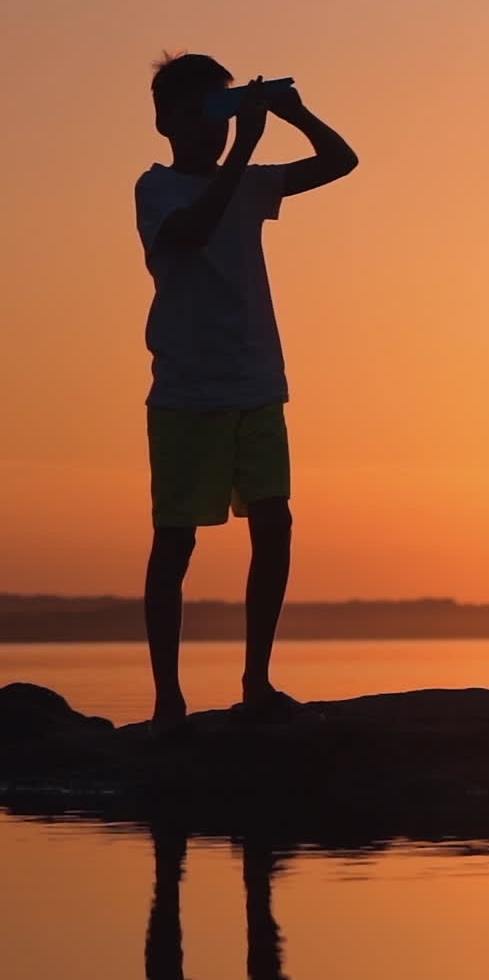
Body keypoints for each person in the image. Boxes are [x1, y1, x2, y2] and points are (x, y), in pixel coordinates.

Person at [136, 53, 358, 732]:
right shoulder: (157, 190)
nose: (214, 127)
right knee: (176, 545)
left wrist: (292, 115)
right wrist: (247, 145)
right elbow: (195, 230)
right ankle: (168, 697)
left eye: (221, 109)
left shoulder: (252, 185)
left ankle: (255, 681)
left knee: (275, 524)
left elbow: (341, 161)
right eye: (203, 112)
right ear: (167, 121)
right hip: (187, 392)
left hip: (257, 383)